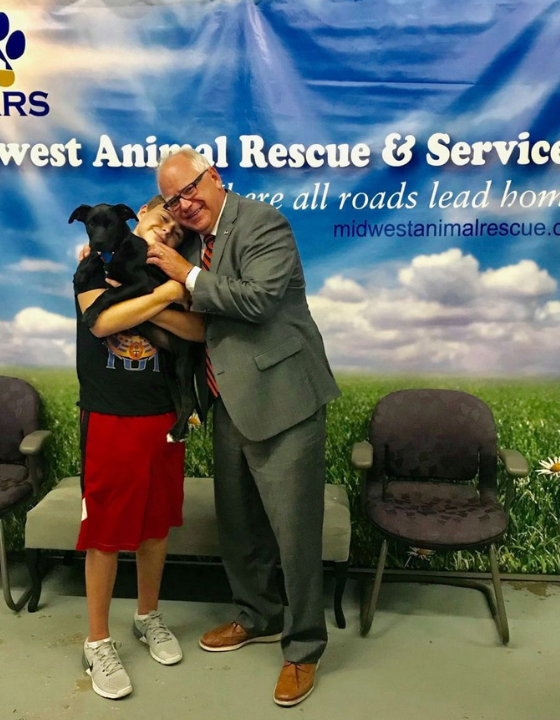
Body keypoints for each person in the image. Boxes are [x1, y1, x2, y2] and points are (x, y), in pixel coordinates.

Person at [146, 146, 341, 707]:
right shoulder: (191, 238)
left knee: (294, 533)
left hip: (284, 399)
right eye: (171, 200)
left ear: (215, 177)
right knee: (238, 525)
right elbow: (149, 243)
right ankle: (256, 615)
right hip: (227, 396)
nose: (183, 206)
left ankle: (303, 648)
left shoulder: (262, 222)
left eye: (190, 191)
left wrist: (185, 274)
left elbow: (256, 301)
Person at [74, 195, 205, 700]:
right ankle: (97, 641)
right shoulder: (91, 263)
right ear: (138, 221)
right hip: (109, 417)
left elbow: (196, 330)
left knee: (155, 526)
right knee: (105, 532)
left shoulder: (169, 279)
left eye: (176, 234)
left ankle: (147, 615)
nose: (167, 234)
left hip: (162, 418)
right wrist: (169, 294)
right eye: (160, 223)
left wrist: (162, 294)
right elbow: (101, 322)